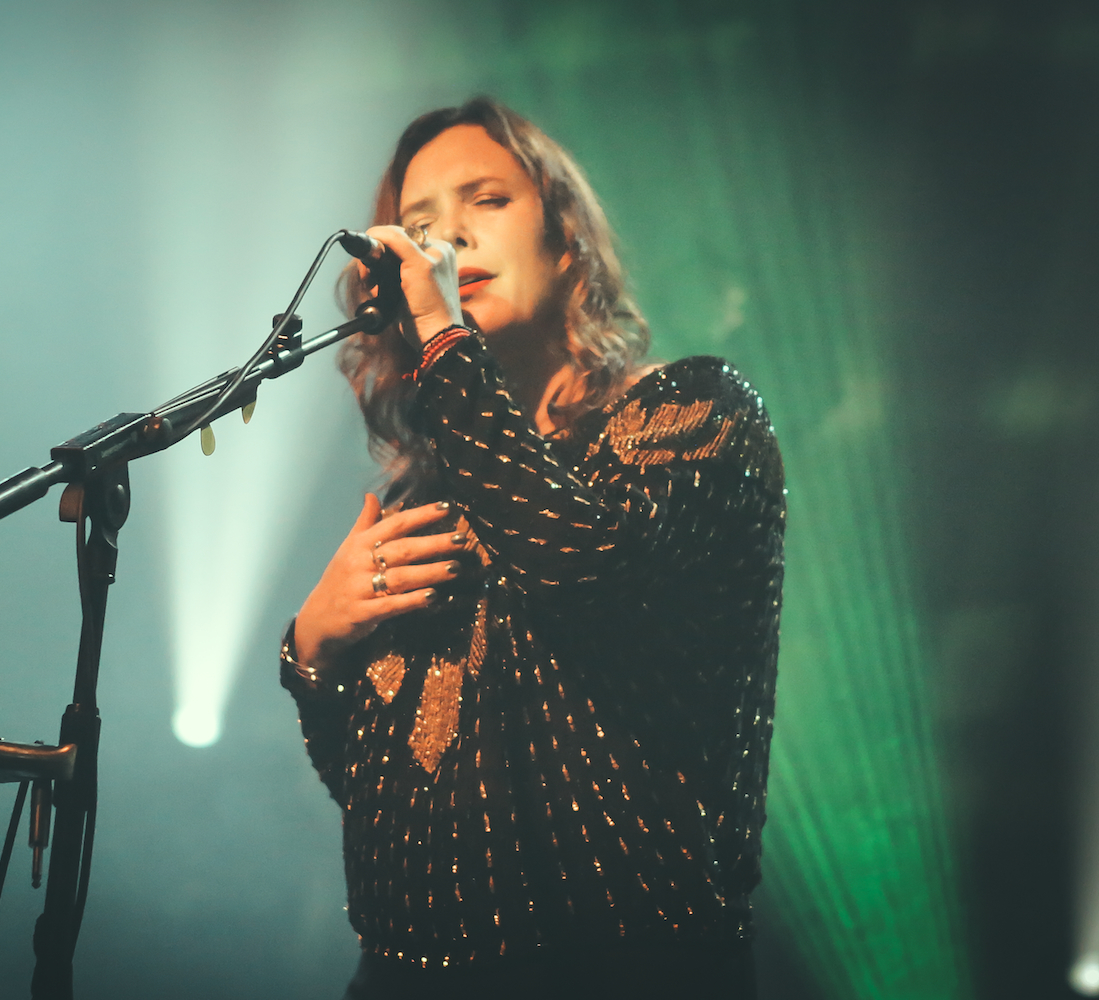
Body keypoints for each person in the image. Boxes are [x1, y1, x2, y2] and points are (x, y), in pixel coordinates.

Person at [281, 98, 785, 999]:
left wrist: (443, 334)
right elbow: (383, 789)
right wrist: (313, 650)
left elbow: (577, 562)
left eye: (486, 202)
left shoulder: (691, 413)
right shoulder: (425, 495)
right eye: (420, 224)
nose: (447, 241)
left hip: (623, 970)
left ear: (567, 241)